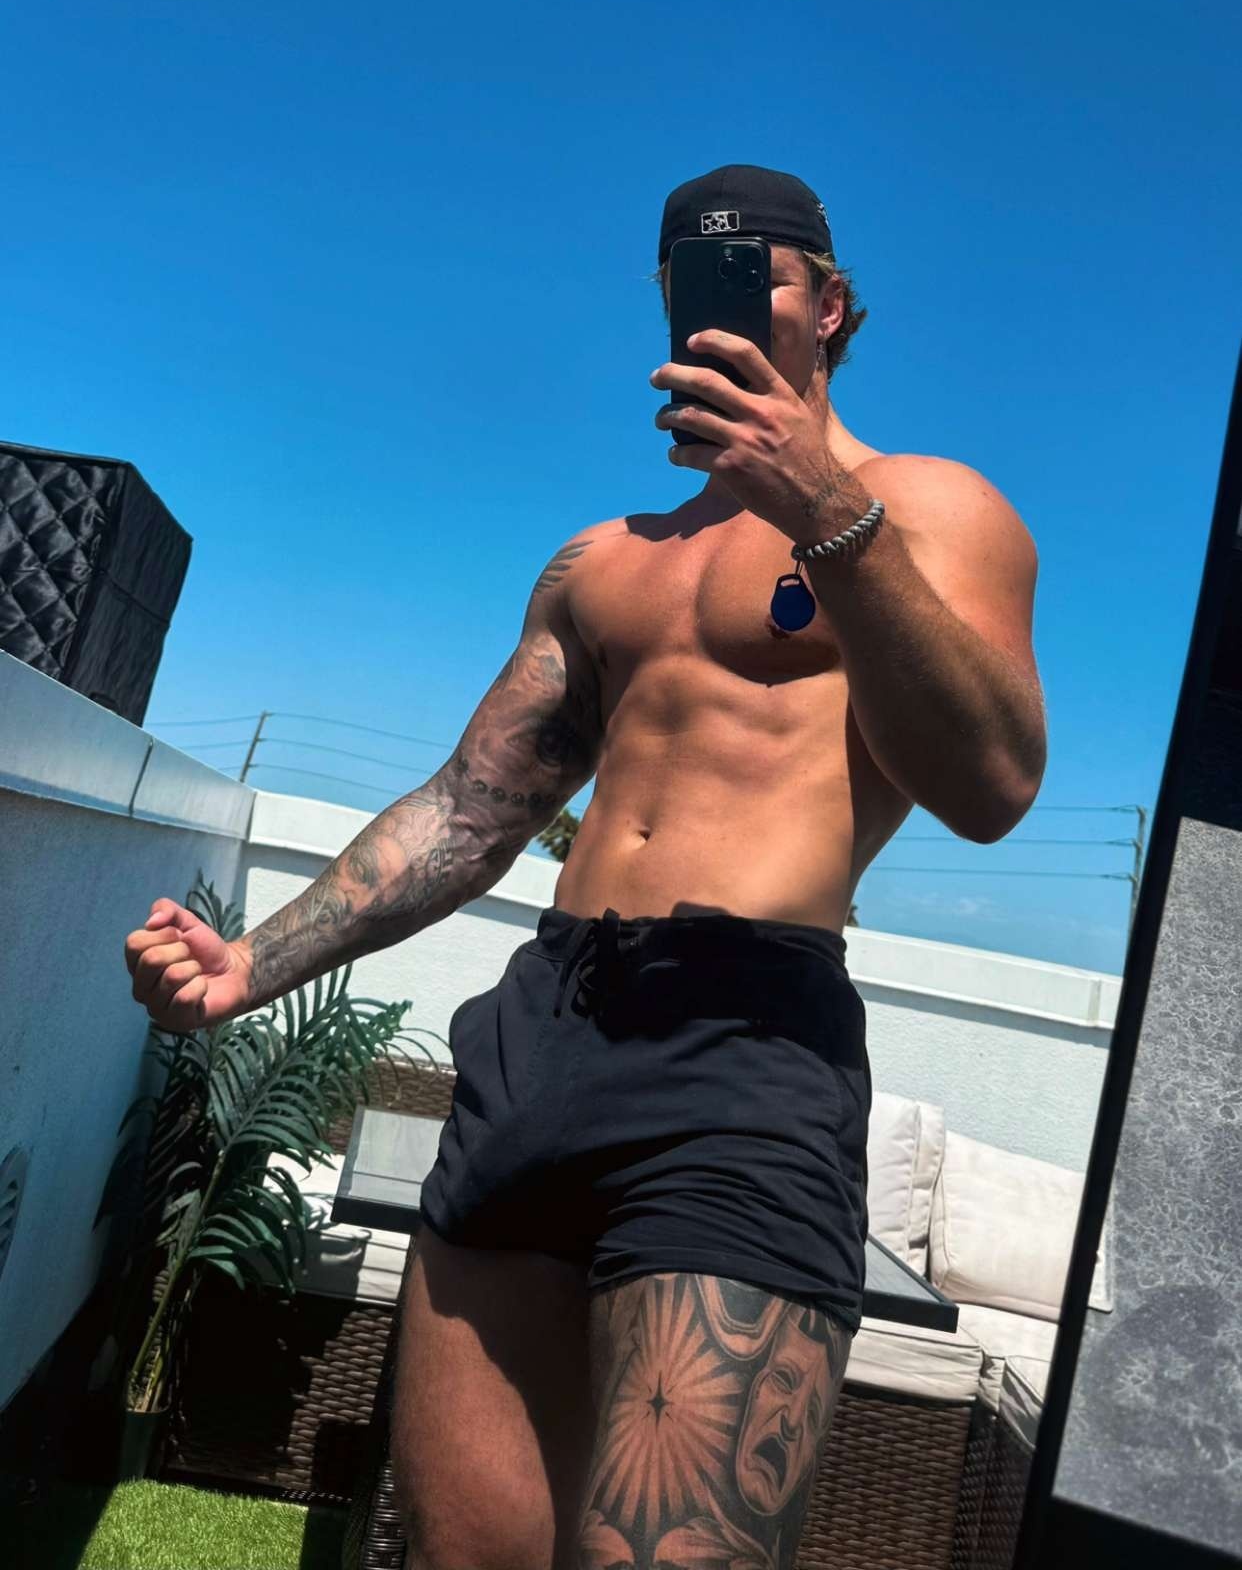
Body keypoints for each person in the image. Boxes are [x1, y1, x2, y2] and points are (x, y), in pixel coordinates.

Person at [125, 163, 1046, 1570]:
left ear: (831, 306)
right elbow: (469, 811)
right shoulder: (604, 561)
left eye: (756, 278)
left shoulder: (930, 507)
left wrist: (826, 514)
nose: (718, 307)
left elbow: (990, 787)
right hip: (542, 1033)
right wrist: (254, 963)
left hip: (743, 1047)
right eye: (687, 283)